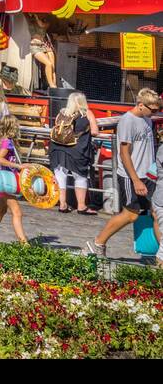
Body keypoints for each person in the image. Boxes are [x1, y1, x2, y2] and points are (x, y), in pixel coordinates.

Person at [87, 88, 162, 258]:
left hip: (148, 174)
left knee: (158, 213)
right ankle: (98, 242)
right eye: (154, 109)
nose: (156, 113)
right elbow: (124, 153)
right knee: (131, 215)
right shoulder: (128, 121)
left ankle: (161, 255)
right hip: (131, 175)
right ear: (141, 105)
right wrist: (135, 180)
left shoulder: (147, 119)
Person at [51, 91, 100, 215]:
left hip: (58, 148)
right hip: (77, 149)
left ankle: (62, 204)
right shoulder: (87, 113)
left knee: (60, 176)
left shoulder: (62, 113)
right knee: (80, 177)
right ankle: (81, 206)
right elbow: (95, 131)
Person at [0, 115, 29, 244]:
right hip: (6, 181)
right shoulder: (7, 142)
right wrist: (19, 166)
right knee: (17, 212)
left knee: (1, 210)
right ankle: (24, 243)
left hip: (3, 180)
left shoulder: (2, 140)